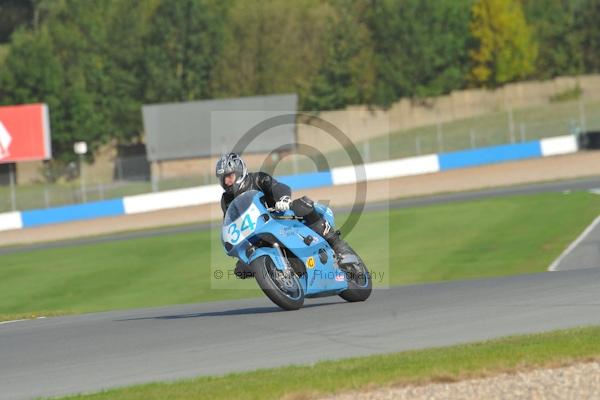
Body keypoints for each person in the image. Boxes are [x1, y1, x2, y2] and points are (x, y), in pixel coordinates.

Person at [216, 153, 351, 278]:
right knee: (240, 269)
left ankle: (339, 247)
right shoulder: (226, 199)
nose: (226, 182)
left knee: (303, 205)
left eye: (229, 176)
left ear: (239, 172)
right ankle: (276, 274)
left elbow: (278, 187)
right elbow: (230, 220)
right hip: (257, 231)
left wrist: (283, 199)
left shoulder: (257, 178)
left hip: (281, 215)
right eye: (223, 179)